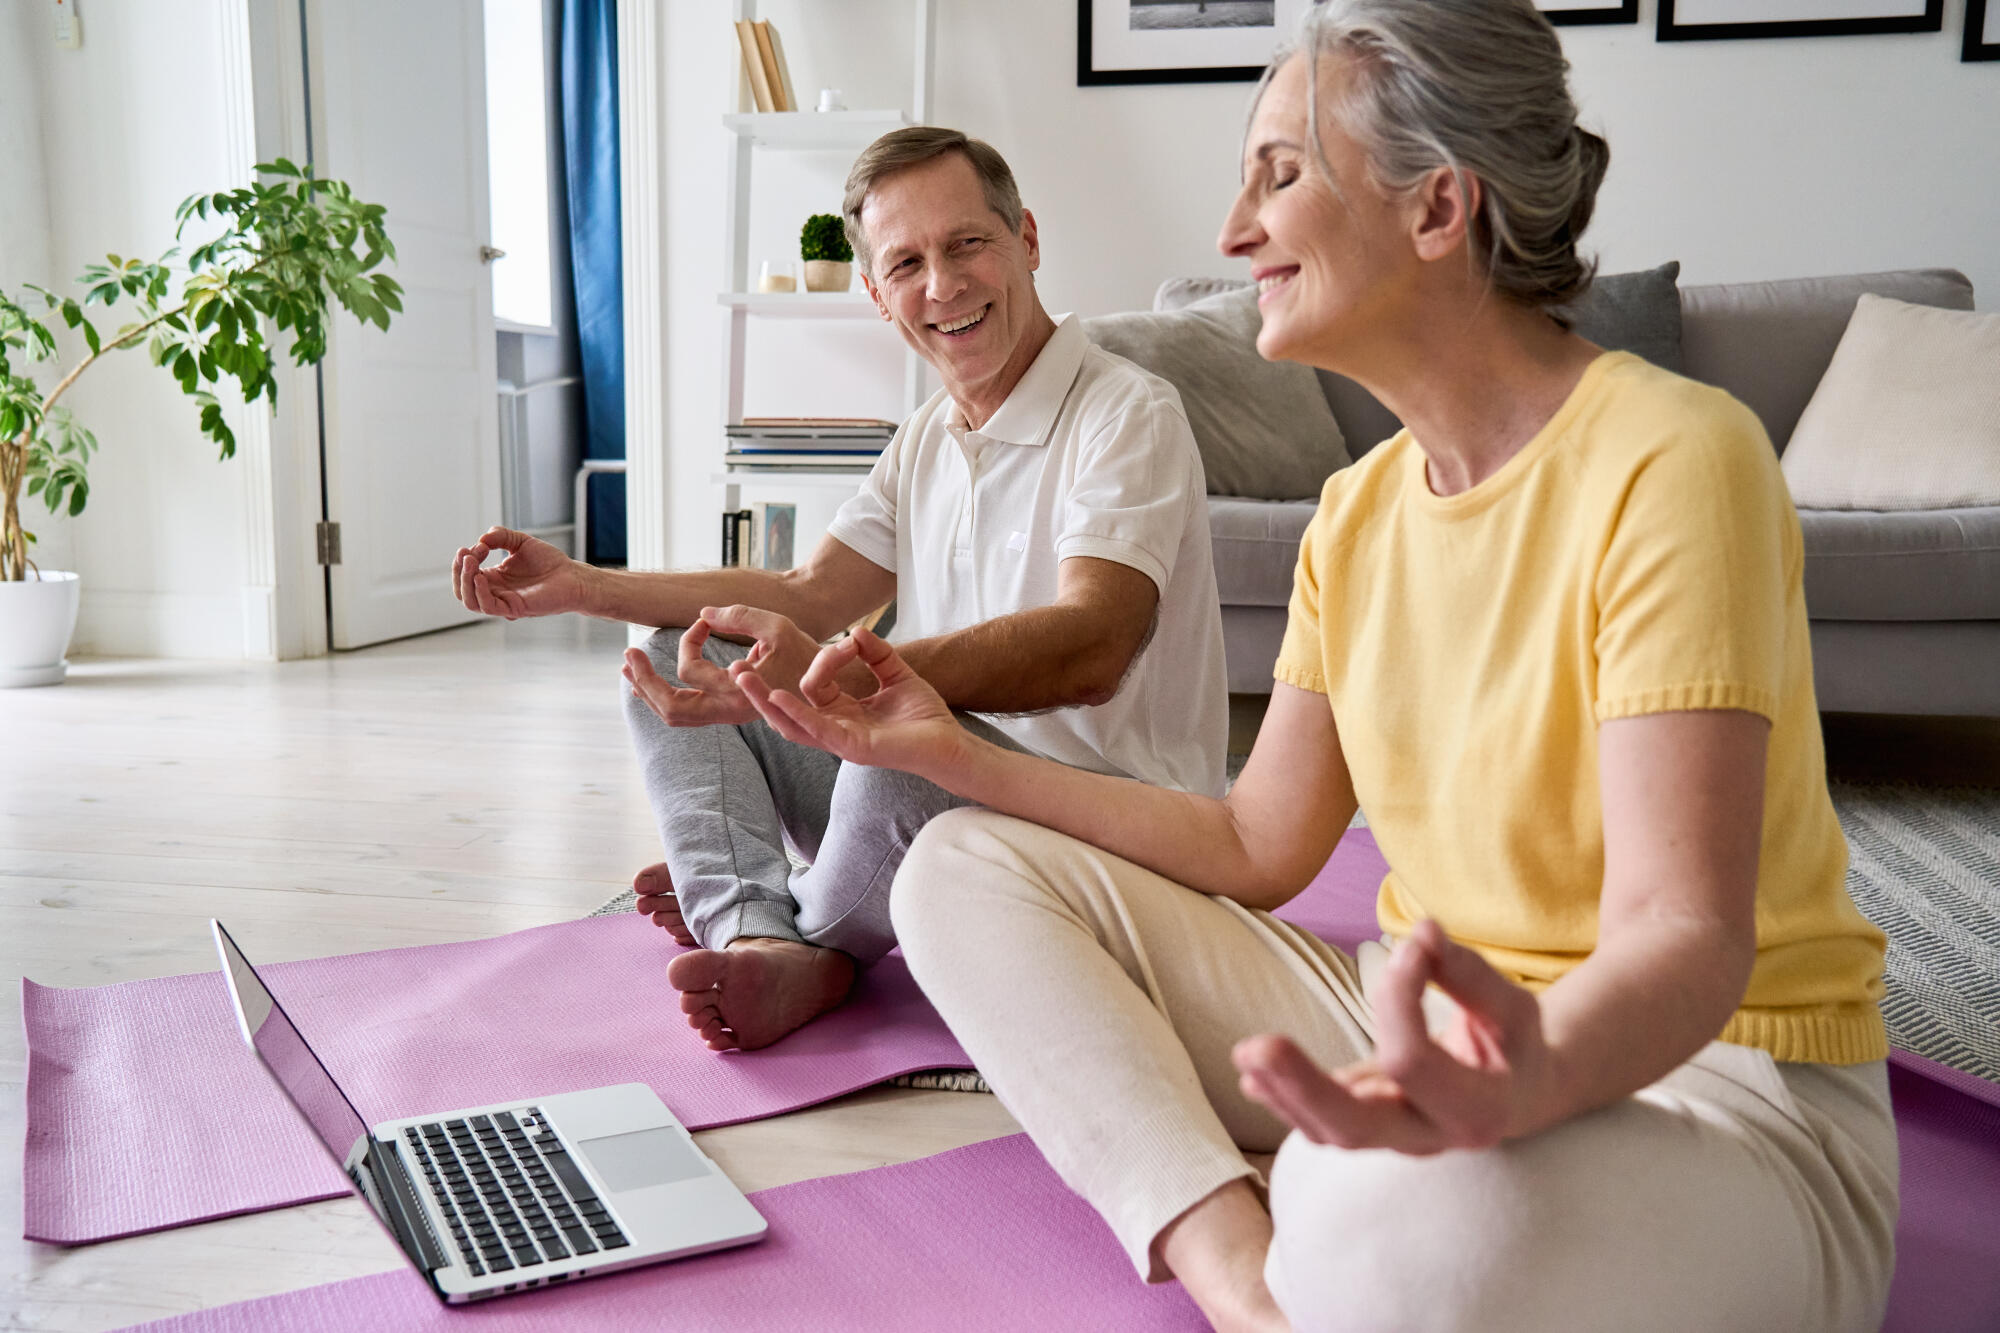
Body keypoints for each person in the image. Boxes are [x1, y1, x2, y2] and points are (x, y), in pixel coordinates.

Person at [723, 3, 1899, 1329]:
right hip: (1430, 1036)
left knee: (1394, 1214)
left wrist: (1518, 1090)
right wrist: (942, 752)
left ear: (1438, 208)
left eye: (1280, 175)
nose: (1232, 233)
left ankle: (1351, 1208)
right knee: (954, 869)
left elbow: (1684, 938)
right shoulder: (1361, 513)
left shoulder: (1672, 456)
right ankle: (1240, 1276)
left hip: (1720, 1090)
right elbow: (1252, 844)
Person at [448, 127, 1227, 1053]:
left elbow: (1095, 644)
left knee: (897, 750)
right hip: (929, 791)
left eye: (968, 243)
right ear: (875, 293)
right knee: (673, 653)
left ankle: (799, 930)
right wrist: (585, 585)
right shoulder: (929, 435)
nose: (942, 285)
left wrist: (850, 685)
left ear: (1025, 239)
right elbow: (807, 591)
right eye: (906, 262)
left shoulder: (1127, 411)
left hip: (1108, 831)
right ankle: (757, 930)